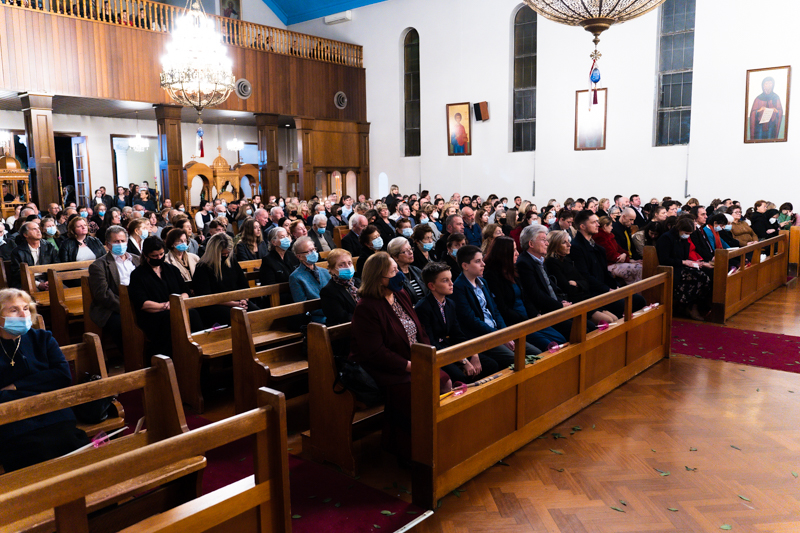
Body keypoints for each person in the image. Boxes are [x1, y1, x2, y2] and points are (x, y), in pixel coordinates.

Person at [348, 252, 450, 460]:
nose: (399, 275)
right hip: (384, 368)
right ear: (379, 278)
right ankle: (412, 451)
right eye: (393, 271)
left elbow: (419, 329)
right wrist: (410, 366)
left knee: (446, 381)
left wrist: (427, 356)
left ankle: (442, 440)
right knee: (417, 393)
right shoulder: (367, 307)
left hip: (413, 360)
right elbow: (374, 352)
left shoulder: (401, 294)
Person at [0, 288, 91, 472]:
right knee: (33, 452)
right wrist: (40, 384)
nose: (22, 314)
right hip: (14, 418)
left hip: (51, 410)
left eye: (26, 308)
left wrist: (16, 386)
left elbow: (63, 375)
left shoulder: (42, 338)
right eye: (13, 310)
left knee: (74, 448)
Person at [452, 245, 539, 369]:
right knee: (519, 362)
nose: (483, 264)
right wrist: (499, 336)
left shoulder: (483, 282)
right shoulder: (458, 288)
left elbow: (495, 311)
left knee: (537, 353)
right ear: (465, 266)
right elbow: (471, 320)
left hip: (498, 332)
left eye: (482, 260)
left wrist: (504, 333)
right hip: (482, 337)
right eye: (478, 261)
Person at [415, 262, 498, 384]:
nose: (451, 284)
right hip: (438, 354)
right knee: (461, 376)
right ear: (432, 286)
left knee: (491, 365)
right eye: (445, 280)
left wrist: (473, 354)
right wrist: (463, 360)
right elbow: (432, 343)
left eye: (451, 279)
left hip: (451, 348)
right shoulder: (423, 308)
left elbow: (458, 335)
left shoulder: (450, 304)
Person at [483, 237, 566, 352]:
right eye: (514, 250)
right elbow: (502, 308)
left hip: (528, 318)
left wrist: (535, 315)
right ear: (504, 253)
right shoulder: (492, 276)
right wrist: (525, 320)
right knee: (551, 346)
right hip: (515, 323)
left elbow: (526, 298)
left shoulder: (513, 270)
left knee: (561, 338)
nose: (517, 253)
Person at [128, 237, 201, 353]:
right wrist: (164, 306)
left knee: (193, 314)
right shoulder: (138, 275)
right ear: (146, 255)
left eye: (161, 254)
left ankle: (195, 351)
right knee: (169, 319)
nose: (159, 258)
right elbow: (142, 303)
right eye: (155, 256)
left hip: (175, 309)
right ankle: (171, 357)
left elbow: (185, 292)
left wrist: (175, 303)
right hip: (153, 315)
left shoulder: (172, 270)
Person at [569, 211, 646, 316]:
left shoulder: (597, 248)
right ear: (582, 226)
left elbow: (604, 272)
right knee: (622, 304)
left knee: (639, 300)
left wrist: (616, 286)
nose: (598, 224)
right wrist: (607, 289)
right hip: (592, 292)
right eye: (594, 222)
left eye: (597, 221)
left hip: (604, 288)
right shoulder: (576, 248)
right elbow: (585, 276)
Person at [88, 225, 139, 357]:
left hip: (138, 302)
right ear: (108, 244)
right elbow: (103, 294)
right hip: (112, 307)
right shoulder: (99, 265)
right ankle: (131, 358)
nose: (120, 244)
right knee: (121, 324)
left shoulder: (137, 260)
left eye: (122, 241)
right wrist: (126, 307)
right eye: (116, 242)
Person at [192, 233, 256, 327]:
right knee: (238, 318)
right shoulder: (203, 267)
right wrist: (234, 304)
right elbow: (206, 297)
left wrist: (244, 300)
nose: (226, 256)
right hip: (215, 306)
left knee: (258, 314)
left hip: (237, 302)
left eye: (228, 253)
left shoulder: (232, 262)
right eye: (223, 254)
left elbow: (244, 285)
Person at [655, 217, 711, 321]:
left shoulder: (683, 239)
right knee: (699, 277)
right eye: (686, 232)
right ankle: (689, 306)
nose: (688, 235)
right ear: (679, 229)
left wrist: (695, 263)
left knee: (704, 276)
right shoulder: (666, 238)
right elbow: (664, 259)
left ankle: (694, 306)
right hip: (670, 268)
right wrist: (683, 262)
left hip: (681, 266)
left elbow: (685, 256)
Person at [288, 236, 330, 324]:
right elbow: (303, 306)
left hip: (332, 311)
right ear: (299, 256)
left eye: (314, 249)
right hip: (316, 317)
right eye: (309, 251)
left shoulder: (325, 272)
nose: (314, 253)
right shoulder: (296, 277)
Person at [10, 221, 60, 289]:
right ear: (25, 234)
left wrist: (50, 281)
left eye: (38, 228)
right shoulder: (18, 251)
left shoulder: (49, 246)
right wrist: (38, 284)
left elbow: (57, 265)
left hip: (48, 280)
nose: (38, 231)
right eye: (34, 229)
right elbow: (18, 273)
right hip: (27, 282)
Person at [593, 216, 643, 284]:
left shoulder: (610, 235)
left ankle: (633, 292)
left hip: (616, 262)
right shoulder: (600, 237)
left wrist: (625, 254)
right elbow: (611, 256)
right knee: (639, 268)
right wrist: (627, 259)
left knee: (640, 266)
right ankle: (637, 291)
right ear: (605, 226)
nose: (612, 227)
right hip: (608, 265)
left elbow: (620, 249)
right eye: (610, 225)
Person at [320, 248, 360, 326]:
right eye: (342, 265)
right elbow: (341, 317)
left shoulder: (359, 282)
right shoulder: (328, 291)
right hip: (347, 329)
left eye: (349, 263)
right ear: (332, 269)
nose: (347, 267)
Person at [259, 227, 300, 300]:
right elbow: (270, 286)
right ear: (274, 242)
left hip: (295, 291)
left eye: (286, 236)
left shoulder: (292, 255)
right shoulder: (268, 260)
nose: (286, 239)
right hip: (279, 296)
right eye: (282, 237)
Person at [387, 237, 428, 305]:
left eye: (411, 249)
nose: (411, 252)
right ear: (395, 256)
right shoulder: (394, 276)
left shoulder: (417, 270)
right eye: (405, 251)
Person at [749, 76, 783, 140]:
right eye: (766, 83)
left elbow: (780, 110)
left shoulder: (776, 97)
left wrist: (776, 110)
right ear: (763, 85)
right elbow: (753, 112)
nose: (768, 86)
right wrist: (759, 110)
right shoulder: (758, 98)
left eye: (770, 83)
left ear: (773, 85)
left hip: (771, 125)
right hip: (760, 125)